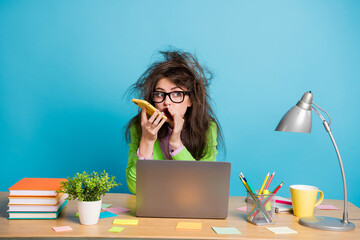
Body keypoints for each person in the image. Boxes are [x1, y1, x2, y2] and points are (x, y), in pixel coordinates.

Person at [125, 50, 224, 194]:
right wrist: (147, 140)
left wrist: (177, 143)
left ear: (191, 100)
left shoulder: (207, 128)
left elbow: (203, 186)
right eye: (159, 94)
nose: (166, 102)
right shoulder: (139, 127)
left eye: (176, 93)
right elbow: (135, 188)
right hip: (154, 206)